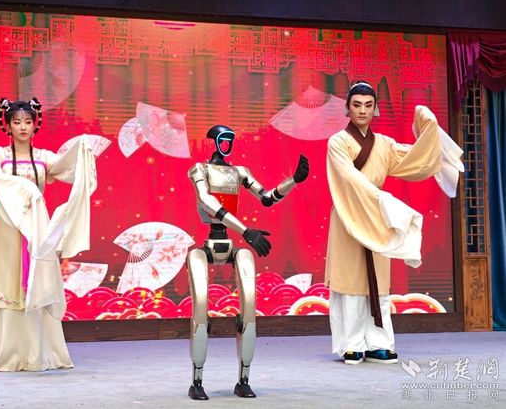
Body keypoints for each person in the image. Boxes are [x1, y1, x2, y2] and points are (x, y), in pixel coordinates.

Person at [325, 81, 463, 365]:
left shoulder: (384, 145)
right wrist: (382, 200)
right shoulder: (337, 142)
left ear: (375, 109)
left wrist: (428, 127)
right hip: (349, 213)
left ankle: (379, 342)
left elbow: (414, 159)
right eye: (356, 105)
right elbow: (348, 178)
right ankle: (351, 343)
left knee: (378, 282)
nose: (362, 110)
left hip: (377, 215)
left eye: (368, 105)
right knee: (350, 281)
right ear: (347, 109)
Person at [187, 125, 309, 399]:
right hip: (208, 244)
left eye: (231, 139)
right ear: (214, 141)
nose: (227, 144)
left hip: (232, 243)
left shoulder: (239, 172)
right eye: (223, 139)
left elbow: (267, 198)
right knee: (201, 309)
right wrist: (245, 231)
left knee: (249, 307)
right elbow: (206, 201)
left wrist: (293, 180)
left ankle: (244, 379)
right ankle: (197, 381)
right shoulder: (200, 169)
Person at [0, 98, 97, 371]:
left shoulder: (43, 157)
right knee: (8, 284)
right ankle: (6, 354)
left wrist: (82, 149)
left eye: (27, 122)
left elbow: (69, 168)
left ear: (35, 125)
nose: (22, 127)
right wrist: (26, 188)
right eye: (17, 122)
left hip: (38, 228)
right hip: (8, 228)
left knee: (38, 278)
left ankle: (39, 353)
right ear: (7, 125)